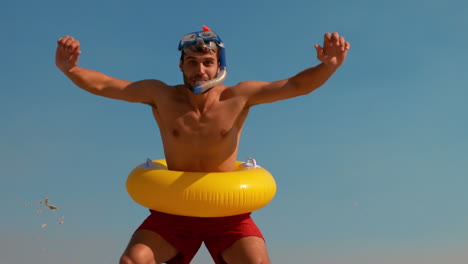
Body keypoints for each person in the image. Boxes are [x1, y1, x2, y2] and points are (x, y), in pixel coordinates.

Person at [55, 26, 350, 264]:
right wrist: (70, 69)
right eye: (192, 63)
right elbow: (106, 85)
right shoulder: (161, 95)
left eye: (207, 63)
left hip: (228, 214)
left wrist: (329, 66)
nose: (200, 70)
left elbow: (296, 86)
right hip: (173, 211)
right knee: (133, 261)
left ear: (218, 65)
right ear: (181, 64)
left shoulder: (238, 96)